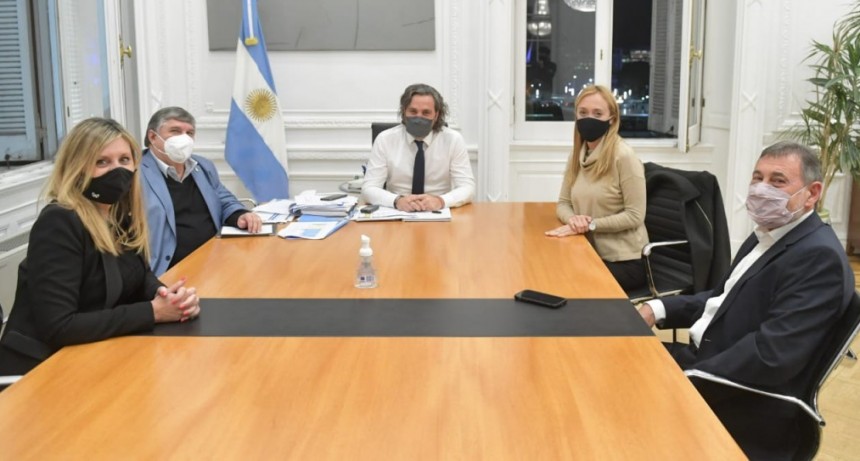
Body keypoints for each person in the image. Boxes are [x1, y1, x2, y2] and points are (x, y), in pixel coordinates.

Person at [638, 141, 854, 459]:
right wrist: (656, 308)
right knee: (608, 359)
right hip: (706, 361)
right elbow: (723, 299)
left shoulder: (818, 257)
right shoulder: (768, 233)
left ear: (812, 193)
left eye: (778, 181)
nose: (761, 189)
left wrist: (685, 379)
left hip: (739, 395)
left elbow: (770, 355)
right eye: (757, 178)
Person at [0, 118, 201, 376]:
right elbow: (59, 326)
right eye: (102, 162)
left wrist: (167, 297)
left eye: (124, 160)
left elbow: (139, 277)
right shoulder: (60, 222)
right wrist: (153, 312)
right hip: (41, 368)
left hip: (94, 354)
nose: (116, 171)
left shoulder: (118, 214)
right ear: (78, 168)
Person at [545, 85, 647, 293]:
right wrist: (574, 220)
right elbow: (563, 203)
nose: (588, 118)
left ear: (612, 119)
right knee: (547, 269)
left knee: (563, 284)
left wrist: (591, 225)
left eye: (597, 113)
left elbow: (635, 215)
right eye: (583, 113)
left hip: (624, 261)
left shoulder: (624, 157)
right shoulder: (578, 154)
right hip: (588, 251)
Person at [140, 106, 262, 275]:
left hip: (215, 257)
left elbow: (224, 200)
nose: (184, 138)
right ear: (153, 137)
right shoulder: (136, 172)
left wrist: (240, 215)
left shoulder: (202, 165)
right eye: (175, 131)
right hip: (170, 268)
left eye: (189, 133)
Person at [362, 83, 475, 212]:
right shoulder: (385, 139)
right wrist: (397, 201)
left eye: (426, 112)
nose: (419, 117)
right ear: (404, 112)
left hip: (438, 211)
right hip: (398, 211)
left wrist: (440, 201)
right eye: (413, 111)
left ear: (436, 115)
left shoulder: (453, 139)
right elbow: (369, 188)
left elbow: (467, 187)